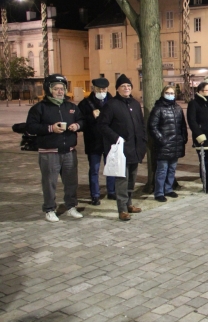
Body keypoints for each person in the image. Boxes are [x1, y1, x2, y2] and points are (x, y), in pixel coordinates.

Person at [26, 74, 85, 222]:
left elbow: (82, 120)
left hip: (69, 151)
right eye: (56, 89)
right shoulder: (39, 108)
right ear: (49, 90)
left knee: (71, 182)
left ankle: (71, 206)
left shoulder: (71, 107)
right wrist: (51, 128)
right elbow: (31, 127)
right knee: (49, 182)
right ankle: (49, 209)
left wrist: (77, 125)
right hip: (49, 152)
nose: (60, 92)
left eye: (62, 89)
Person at [97, 74, 145, 221]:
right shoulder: (111, 105)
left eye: (129, 86)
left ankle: (129, 203)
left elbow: (141, 124)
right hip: (120, 149)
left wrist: (143, 140)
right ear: (117, 89)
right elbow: (102, 125)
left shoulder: (135, 104)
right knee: (122, 180)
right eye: (123, 86)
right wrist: (116, 138)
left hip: (135, 148)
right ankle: (122, 209)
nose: (126, 88)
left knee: (132, 179)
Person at [78, 77, 116, 206]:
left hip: (109, 141)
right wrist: (91, 116)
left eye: (104, 89)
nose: (102, 91)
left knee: (110, 167)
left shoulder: (112, 101)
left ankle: (112, 191)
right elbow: (80, 121)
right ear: (93, 89)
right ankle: (95, 194)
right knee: (94, 169)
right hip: (93, 141)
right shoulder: (85, 103)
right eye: (99, 89)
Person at [148, 86, 188, 203]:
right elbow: (152, 126)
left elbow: (183, 126)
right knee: (162, 170)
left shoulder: (178, 108)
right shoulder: (158, 109)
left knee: (172, 169)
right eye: (167, 93)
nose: (170, 95)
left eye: (172, 93)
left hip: (176, 144)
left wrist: (183, 138)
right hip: (163, 146)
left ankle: (168, 189)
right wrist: (162, 139)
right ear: (163, 93)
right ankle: (159, 192)